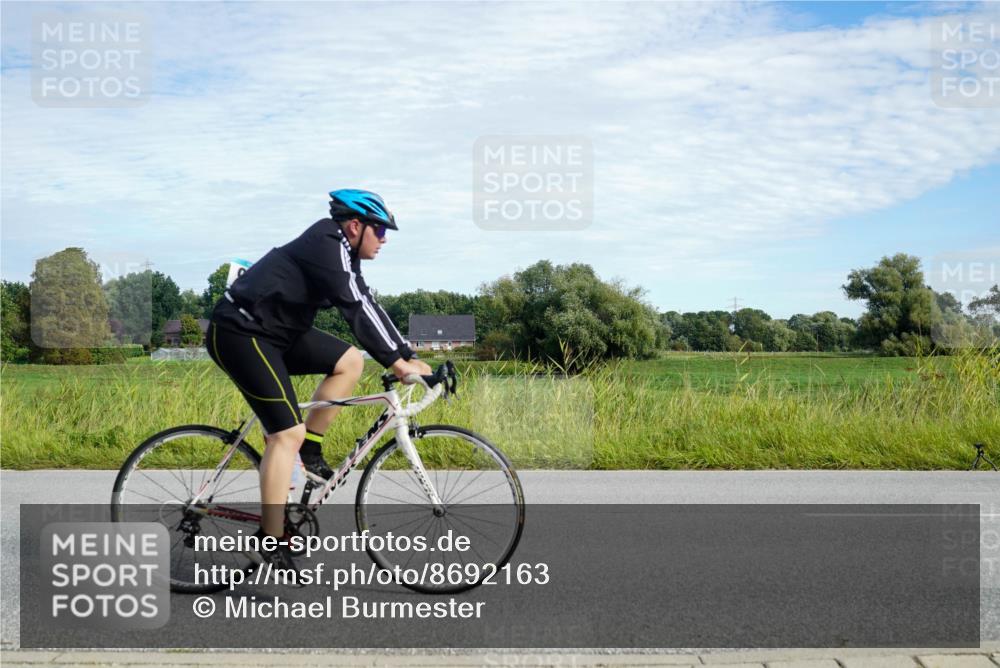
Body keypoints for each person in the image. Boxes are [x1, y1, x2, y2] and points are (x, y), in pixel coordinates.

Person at [206, 189, 431, 570]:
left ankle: (309, 449)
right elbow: (353, 306)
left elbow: (365, 300)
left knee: (349, 361)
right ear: (356, 226)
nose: (385, 238)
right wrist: (395, 362)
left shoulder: (342, 251)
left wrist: (406, 354)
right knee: (284, 435)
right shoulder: (327, 242)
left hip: (277, 333)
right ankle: (272, 536)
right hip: (240, 332)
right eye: (380, 229)